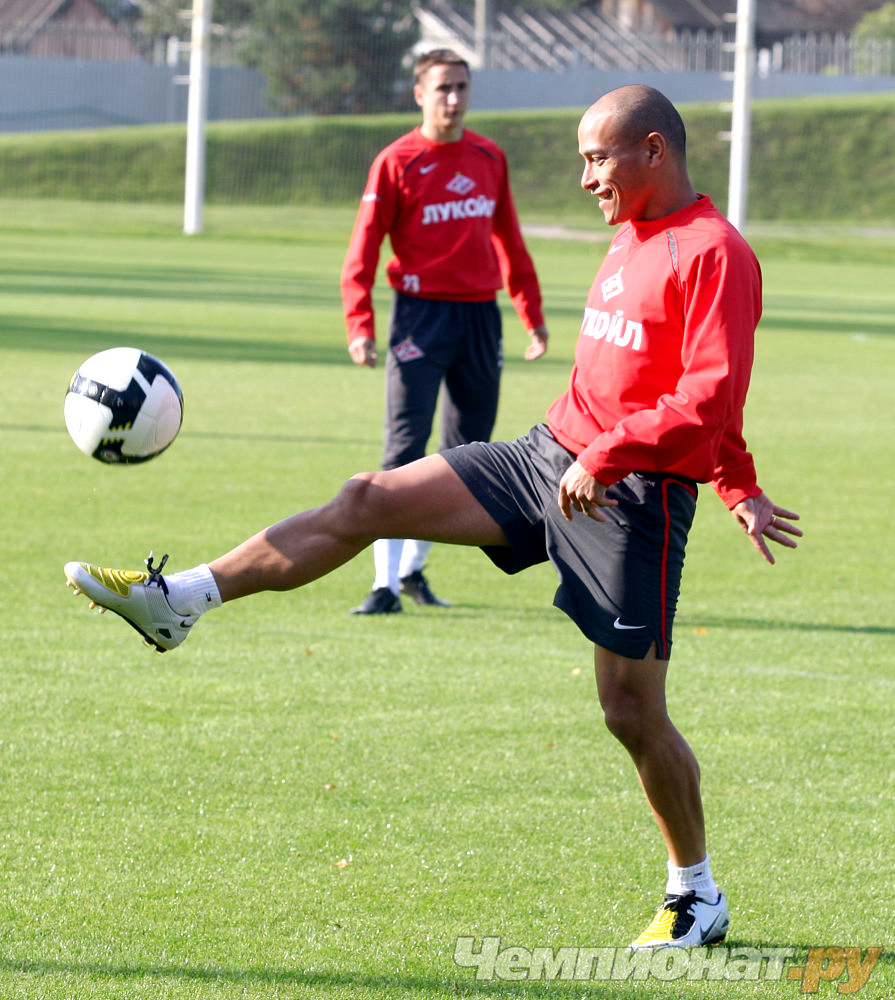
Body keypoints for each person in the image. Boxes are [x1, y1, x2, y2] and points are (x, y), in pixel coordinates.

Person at [65, 85, 802, 949]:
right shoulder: (627, 236)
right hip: (549, 456)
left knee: (629, 712)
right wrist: (718, 482)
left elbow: (707, 397)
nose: (584, 178)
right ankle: (180, 600)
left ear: (653, 150)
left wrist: (715, 481)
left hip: (630, 499)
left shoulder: (714, 252)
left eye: (597, 158)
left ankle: (695, 895)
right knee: (368, 498)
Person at [341, 48, 549, 615]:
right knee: (405, 445)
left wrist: (531, 315)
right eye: (442, 88)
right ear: (420, 94)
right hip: (420, 316)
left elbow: (510, 241)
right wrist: (360, 323)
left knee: (468, 453)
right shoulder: (396, 161)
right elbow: (363, 248)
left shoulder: (488, 156)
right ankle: (383, 585)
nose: (453, 99)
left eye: (461, 87)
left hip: (480, 317)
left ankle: (413, 570)